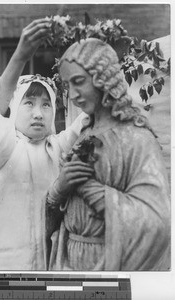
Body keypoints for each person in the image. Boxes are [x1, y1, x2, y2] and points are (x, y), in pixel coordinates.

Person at [0, 19, 93, 270]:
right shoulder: (3, 151)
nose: (38, 113)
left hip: (48, 266)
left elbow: (87, 120)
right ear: (14, 107)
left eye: (45, 104)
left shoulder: (57, 148)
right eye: (28, 103)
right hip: (4, 267)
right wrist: (19, 56)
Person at [46, 38, 170, 271]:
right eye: (67, 85)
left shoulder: (136, 139)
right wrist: (59, 189)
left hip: (108, 263)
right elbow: (57, 215)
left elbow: (157, 223)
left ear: (104, 79)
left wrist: (92, 190)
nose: (72, 94)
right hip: (68, 262)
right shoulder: (84, 136)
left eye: (79, 82)